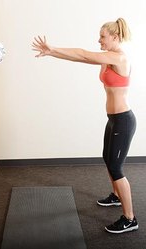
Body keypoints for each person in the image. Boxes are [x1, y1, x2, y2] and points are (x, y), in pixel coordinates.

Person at [32, 18, 138, 234]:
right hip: (114, 119)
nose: (98, 40)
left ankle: (130, 218)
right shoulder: (107, 57)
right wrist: (52, 53)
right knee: (108, 158)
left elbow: (82, 53)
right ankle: (116, 196)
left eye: (102, 37)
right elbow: (80, 58)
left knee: (116, 167)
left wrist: (53, 48)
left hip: (124, 120)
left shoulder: (118, 58)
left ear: (115, 37)